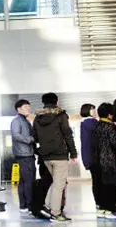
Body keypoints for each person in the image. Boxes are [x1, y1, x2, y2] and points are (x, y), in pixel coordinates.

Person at [32, 92, 77, 222]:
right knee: (59, 184)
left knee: (55, 182)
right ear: (56, 101)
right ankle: (56, 213)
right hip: (60, 155)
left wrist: (39, 151)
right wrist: (73, 153)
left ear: (43, 102)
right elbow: (68, 135)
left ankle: (47, 207)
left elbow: (34, 137)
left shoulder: (37, 118)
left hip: (46, 156)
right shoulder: (61, 115)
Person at [91, 103, 116, 219]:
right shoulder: (111, 126)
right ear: (110, 115)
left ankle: (102, 209)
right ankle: (110, 210)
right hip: (110, 160)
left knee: (101, 186)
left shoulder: (96, 126)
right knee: (113, 186)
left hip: (98, 160)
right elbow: (115, 142)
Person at [10, 99, 35, 213]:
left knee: (24, 181)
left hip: (26, 153)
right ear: (19, 109)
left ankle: (24, 206)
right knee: (29, 181)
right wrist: (30, 139)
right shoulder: (17, 121)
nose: (28, 109)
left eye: (29, 107)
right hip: (23, 154)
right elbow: (16, 135)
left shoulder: (25, 121)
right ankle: (29, 206)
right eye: (26, 107)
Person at [79, 103, 99, 212]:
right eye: (93, 110)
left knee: (95, 181)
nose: (95, 112)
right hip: (95, 158)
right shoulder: (91, 123)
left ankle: (98, 203)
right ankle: (100, 203)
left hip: (89, 158)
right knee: (98, 182)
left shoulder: (84, 123)